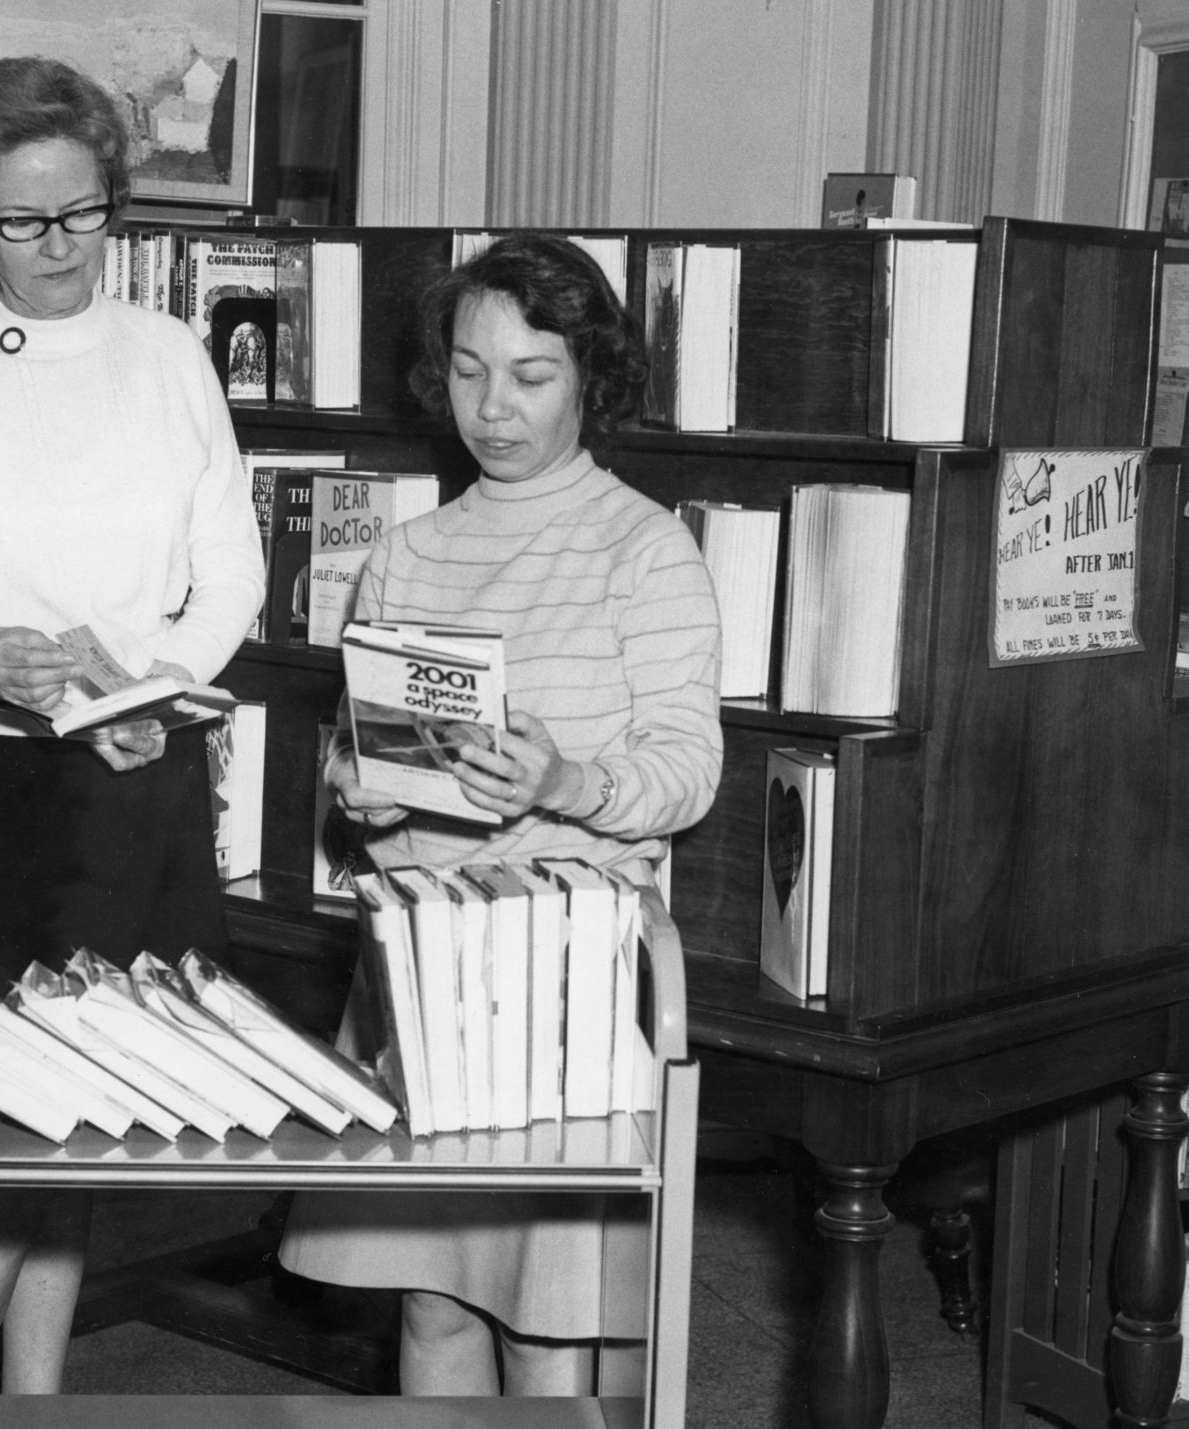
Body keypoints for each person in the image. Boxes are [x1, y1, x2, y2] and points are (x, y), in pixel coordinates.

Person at [0, 56, 264, 1394]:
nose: (59, 247)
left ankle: (35, 1405)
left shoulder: (170, 354)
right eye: (23, 222)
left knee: (95, 1111)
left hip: (135, 761)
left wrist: (162, 687)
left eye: (83, 212)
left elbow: (231, 571)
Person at [277, 231, 722, 1395]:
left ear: (590, 378)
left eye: (530, 376)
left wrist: (564, 781)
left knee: (549, 1329)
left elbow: (685, 767)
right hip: (424, 965)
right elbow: (369, 776)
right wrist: (358, 795)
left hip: (566, 974)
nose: (493, 406)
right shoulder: (406, 555)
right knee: (427, 1307)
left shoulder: (646, 549)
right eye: (468, 371)